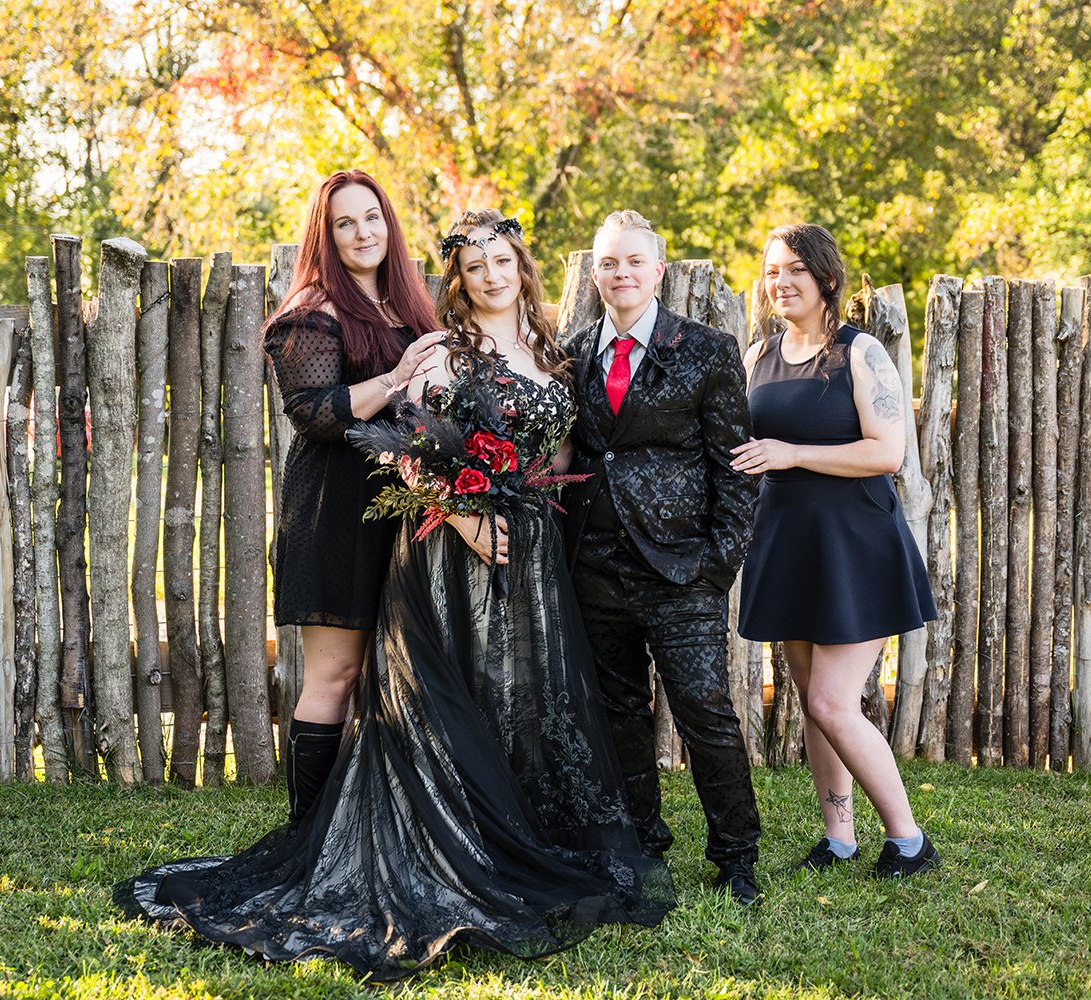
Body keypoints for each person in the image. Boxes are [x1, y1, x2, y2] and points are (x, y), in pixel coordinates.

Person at [114, 209, 672, 981]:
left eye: (503, 263)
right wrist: (471, 520)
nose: (491, 277)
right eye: (474, 267)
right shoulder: (440, 352)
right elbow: (407, 450)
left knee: (513, 697)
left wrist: (534, 518)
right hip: (449, 548)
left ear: (522, 268)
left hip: (530, 547)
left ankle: (511, 832)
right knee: (448, 701)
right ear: (459, 279)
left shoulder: (551, 350)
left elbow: (565, 449)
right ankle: (442, 851)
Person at [561, 210, 763, 904]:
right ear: (595, 275)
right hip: (594, 566)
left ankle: (737, 855)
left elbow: (737, 468)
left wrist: (717, 564)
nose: (621, 274)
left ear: (658, 271)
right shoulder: (571, 353)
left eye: (633, 262)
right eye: (608, 263)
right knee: (618, 712)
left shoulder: (707, 350)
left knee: (705, 710)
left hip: (682, 571)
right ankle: (642, 840)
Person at [731, 222, 940, 878]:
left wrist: (794, 454)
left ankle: (909, 841)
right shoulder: (756, 356)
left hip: (856, 549)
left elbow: (888, 452)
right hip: (787, 547)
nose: (780, 281)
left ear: (825, 278)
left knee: (830, 701)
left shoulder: (859, 352)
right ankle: (839, 838)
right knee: (813, 703)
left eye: (794, 268)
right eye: (771, 270)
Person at [263, 169, 442, 824]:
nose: (362, 232)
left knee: (392, 678)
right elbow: (311, 411)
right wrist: (396, 379)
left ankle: (369, 828)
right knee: (334, 677)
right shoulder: (313, 312)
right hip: (335, 511)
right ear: (326, 235)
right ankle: (308, 833)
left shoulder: (409, 307)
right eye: (345, 222)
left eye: (372, 217)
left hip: (402, 510)